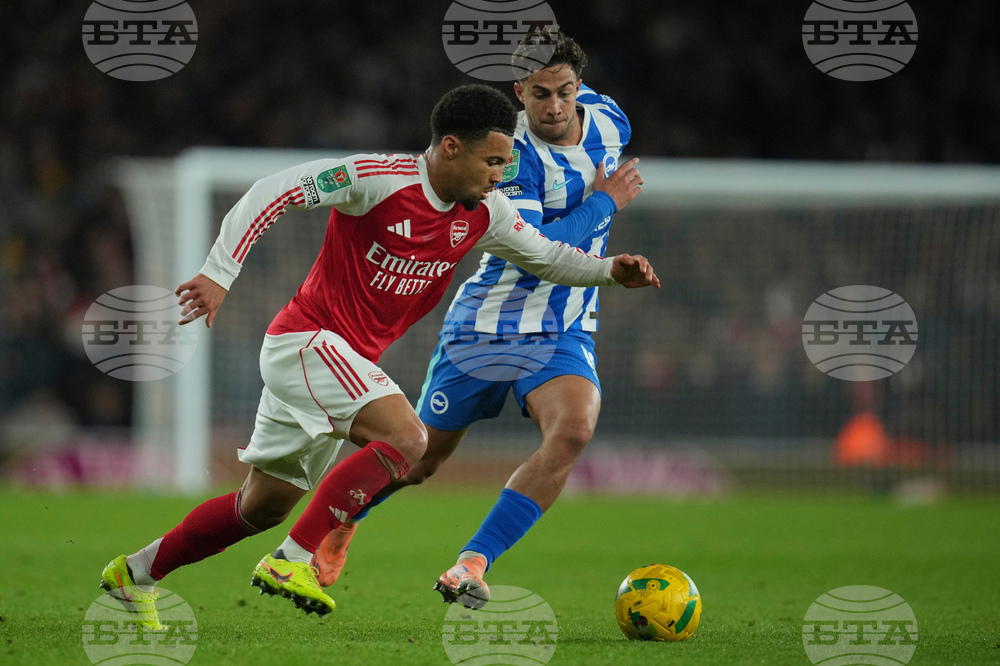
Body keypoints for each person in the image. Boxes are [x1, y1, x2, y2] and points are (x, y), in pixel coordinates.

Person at [98, 83, 658, 627]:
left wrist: (610, 272)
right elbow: (275, 191)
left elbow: (547, 257)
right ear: (450, 147)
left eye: (505, 164)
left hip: (337, 364)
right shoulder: (377, 178)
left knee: (259, 508)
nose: (499, 176)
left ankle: (134, 574)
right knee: (410, 441)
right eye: (492, 162)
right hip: (307, 342)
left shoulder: (487, 212)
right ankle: (291, 562)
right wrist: (219, 274)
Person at [312, 34, 644, 609]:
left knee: (573, 429)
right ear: (519, 93)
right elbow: (543, 248)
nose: (554, 107)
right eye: (539, 95)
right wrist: (606, 201)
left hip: (562, 327)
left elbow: (600, 134)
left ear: (579, 87)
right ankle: (340, 521)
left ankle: (472, 562)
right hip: (489, 323)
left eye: (564, 92)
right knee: (418, 461)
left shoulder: (611, 120)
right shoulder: (510, 155)